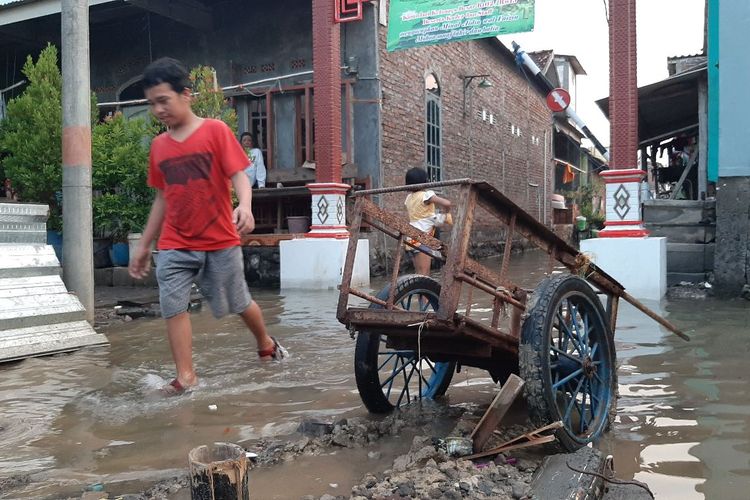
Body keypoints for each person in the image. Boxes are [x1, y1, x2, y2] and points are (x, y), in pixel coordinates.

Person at [128, 57, 287, 396]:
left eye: (163, 100)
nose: (157, 109)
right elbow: (162, 198)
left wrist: (244, 205)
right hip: (174, 242)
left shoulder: (215, 131)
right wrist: (144, 244)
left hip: (219, 239)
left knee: (238, 303)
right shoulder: (159, 147)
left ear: (186, 95)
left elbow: (239, 176)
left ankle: (265, 341)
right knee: (173, 305)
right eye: (151, 103)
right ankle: (186, 376)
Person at [403, 167, 452, 276]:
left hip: (410, 239)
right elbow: (447, 203)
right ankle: (424, 294)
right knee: (425, 276)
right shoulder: (426, 195)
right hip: (422, 239)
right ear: (424, 181)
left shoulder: (409, 198)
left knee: (419, 275)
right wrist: (446, 214)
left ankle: (419, 293)